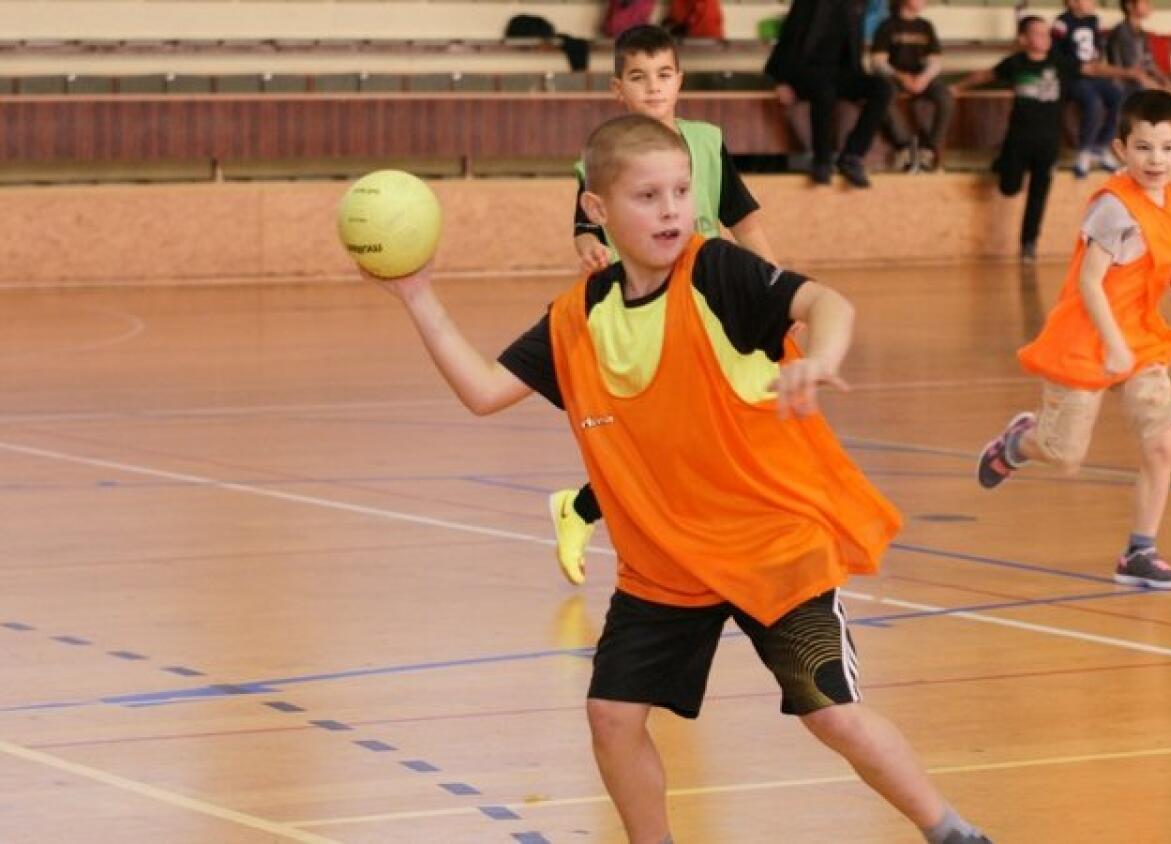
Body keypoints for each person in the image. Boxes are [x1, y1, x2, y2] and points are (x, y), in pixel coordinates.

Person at [362, 113, 993, 844]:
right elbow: (482, 391)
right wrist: (417, 295)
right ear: (597, 208)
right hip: (667, 563)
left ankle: (952, 832)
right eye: (647, 196)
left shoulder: (719, 272)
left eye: (682, 192)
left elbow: (827, 303)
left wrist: (821, 356)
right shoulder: (578, 318)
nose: (671, 210)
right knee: (611, 716)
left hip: (772, 547)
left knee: (832, 715)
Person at [561, 24, 779, 586]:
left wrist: (776, 285)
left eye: (663, 74)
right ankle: (591, 509)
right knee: (661, 437)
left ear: (680, 80)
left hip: (710, 301)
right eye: (639, 77)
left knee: (716, 422)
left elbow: (744, 220)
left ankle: (725, 528)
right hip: (644, 311)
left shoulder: (706, 141)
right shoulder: (604, 157)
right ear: (618, 90)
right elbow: (585, 229)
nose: (654, 87)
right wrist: (589, 251)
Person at [975, 90, 1171, 591]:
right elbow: (1089, 282)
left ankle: (1140, 553)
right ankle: (1017, 443)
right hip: (1086, 337)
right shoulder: (1113, 209)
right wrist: (1112, 344)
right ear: (1121, 149)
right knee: (1064, 454)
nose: (1156, 160)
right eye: (1143, 148)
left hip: (1140, 339)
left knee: (1161, 442)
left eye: (1166, 148)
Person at [953, 15, 1072, 264]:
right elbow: (986, 75)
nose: (1044, 38)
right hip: (1019, 137)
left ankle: (1029, 244)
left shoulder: (1060, 63)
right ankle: (1002, 164)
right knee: (1009, 188)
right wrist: (958, 87)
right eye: (1037, 33)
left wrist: (1129, 74)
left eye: (1047, 33)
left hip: (1049, 140)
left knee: (1039, 193)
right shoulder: (1015, 63)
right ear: (1023, 39)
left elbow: (1091, 69)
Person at [765, 0, 895, 187]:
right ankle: (822, 160)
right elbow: (789, 36)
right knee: (825, 91)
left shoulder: (855, 4)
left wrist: (858, 82)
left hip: (839, 73)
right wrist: (781, 81)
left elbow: (855, 49)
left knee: (882, 88)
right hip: (805, 72)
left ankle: (852, 156)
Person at [1051, 0, 1135, 179]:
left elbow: (1097, 49)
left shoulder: (1094, 21)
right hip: (1073, 78)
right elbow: (1054, 56)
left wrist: (1100, 67)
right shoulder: (1061, 23)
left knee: (1120, 97)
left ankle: (1101, 145)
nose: (1093, 2)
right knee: (1093, 102)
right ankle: (1084, 150)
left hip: (1094, 76)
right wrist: (1077, 67)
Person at [871, 0, 953, 172]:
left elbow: (935, 61)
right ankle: (905, 147)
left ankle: (929, 150)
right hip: (893, 77)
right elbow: (878, 62)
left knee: (945, 96)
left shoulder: (926, 26)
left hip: (921, 78)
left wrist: (924, 78)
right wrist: (901, 77)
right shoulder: (887, 26)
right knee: (883, 94)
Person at [1106, 0, 1171, 98]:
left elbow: (1149, 63)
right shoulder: (1121, 33)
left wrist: (1166, 82)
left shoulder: (1141, 33)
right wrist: (1159, 88)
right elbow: (1132, 72)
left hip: (1142, 82)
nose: (1149, 6)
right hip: (1126, 85)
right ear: (1130, 5)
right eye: (1145, 2)